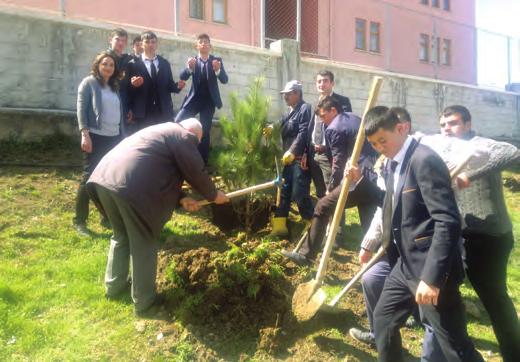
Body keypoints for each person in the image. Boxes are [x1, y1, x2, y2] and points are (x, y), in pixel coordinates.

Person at [354, 106, 483, 362]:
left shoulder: (424, 160)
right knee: (383, 321)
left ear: (401, 129)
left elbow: (447, 220)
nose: (379, 147)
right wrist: (362, 182)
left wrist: (432, 279)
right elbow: (391, 204)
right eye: (373, 144)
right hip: (405, 264)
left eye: (383, 140)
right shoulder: (393, 163)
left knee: (454, 347)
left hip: (432, 269)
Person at [86, 118, 229, 317]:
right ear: (192, 132)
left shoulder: (160, 132)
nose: (194, 145)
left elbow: (153, 169)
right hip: (130, 189)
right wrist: (213, 194)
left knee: (121, 236)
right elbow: (193, 169)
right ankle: (145, 303)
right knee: (143, 242)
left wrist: (181, 198)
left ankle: (114, 287)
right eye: (196, 141)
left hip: (104, 180)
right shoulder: (182, 135)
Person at [440, 105, 520, 362]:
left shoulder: (480, 144)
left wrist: (470, 175)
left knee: (494, 296)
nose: (447, 129)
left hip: (490, 235)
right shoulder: (446, 149)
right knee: (447, 282)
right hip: (464, 232)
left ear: (467, 123)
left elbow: (511, 151)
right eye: (443, 125)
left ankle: (513, 352)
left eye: (452, 123)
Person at [281, 96, 378, 265]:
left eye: (324, 116)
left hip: (355, 178)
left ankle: (306, 256)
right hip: (373, 176)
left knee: (323, 206)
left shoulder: (334, 127)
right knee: (369, 218)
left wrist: (331, 187)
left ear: (333, 110)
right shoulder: (355, 118)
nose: (323, 121)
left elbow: (338, 162)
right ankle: (379, 260)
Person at [73, 51, 123, 236]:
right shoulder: (89, 83)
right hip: (96, 136)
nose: (108, 67)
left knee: (107, 180)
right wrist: (84, 134)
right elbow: (81, 109)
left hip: (113, 138)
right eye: (105, 64)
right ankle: (79, 221)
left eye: (111, 65)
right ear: (98, 65)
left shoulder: (114, 86)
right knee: (88, 178)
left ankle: (106, 217)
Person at [175, 33, 229, 164]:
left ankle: (202, 163)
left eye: (206, 41)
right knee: (177, 122)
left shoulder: (216, 61)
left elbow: (225, 80)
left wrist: (218, 70)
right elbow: (182, 76)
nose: (204, 43)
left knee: (205, 131)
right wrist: (189, 68)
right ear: (196, 45)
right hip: (194, 99)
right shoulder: (193, 60)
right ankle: (180, 156)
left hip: (209, 101)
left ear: (210, 46)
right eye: (201, 41)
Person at [270, 80, 314, 236]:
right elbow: (280, 122)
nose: (285, 97)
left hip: (298, 160)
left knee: (299, 194)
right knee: (285, 192)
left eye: (288, 94)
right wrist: (271, 127)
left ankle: (315, 227)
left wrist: (293, 151)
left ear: (297, 93)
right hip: (287, 160)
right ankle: (280, 227)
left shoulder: (305, 109)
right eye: (284, 95)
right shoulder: (290, 111)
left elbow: (304, 133)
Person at [306, 70, 352, 198]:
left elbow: (344, 128)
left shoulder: (342, 101)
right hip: (314, 155)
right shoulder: (315, 104)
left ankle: (337, 218)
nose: (322, 84)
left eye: (325, 81)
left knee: (333, 193)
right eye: (319, 81)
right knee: (320, 193)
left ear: (332, 83)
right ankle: (325, 218)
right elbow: (311, 129)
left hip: (330, 154)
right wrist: (306, 152)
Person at [127, 31, 185, 132]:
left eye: (153, 42)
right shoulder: (133, 64)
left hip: (163, 111)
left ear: (157, 44)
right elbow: (128, 89)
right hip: (143, 112)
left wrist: (178, 87)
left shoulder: (164, 63)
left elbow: (169, 84)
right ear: (141, 44)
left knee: (163, 142)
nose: (150, 45)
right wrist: (133, 85)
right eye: (147, 42)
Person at [106, 28, 132, 136]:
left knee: (121, 136)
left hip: (123, 103)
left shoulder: (128, 60)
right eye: (117, 39)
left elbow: (129, 87)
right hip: (106, 101)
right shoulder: (103, 58)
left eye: (123, 40)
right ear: (110, 40)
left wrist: (130, 107)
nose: (120, 43)